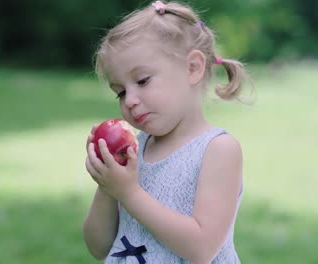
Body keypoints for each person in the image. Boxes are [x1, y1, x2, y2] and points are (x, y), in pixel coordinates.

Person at [83, 1, 251, 263]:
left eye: (142, 81)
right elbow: (100, 247)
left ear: (192, 68)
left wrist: (128, 193)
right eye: (121, 92)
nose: (129, 101)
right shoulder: (135, 148)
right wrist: (108, 186)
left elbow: (201, 249)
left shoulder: (218, 150)